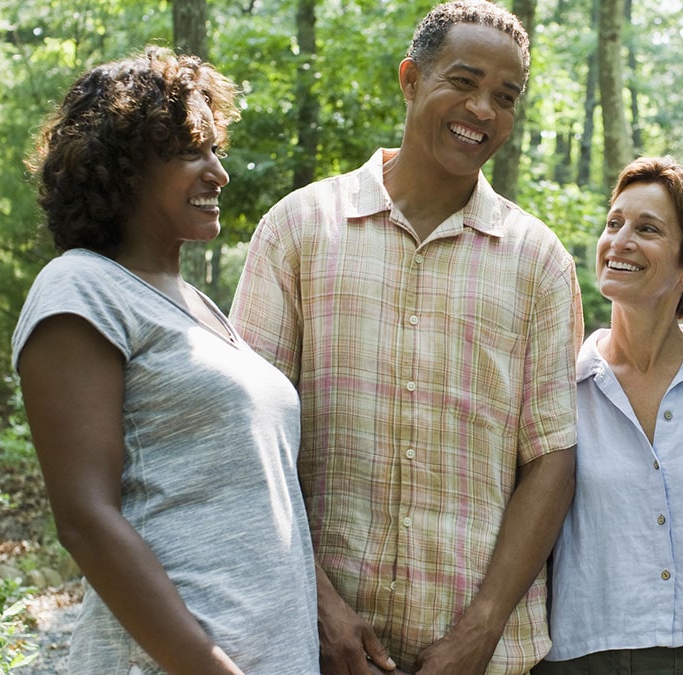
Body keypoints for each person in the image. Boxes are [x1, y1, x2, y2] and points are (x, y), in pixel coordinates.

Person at [228, 2, 582, 673]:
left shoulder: (538, 259)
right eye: (463, 81)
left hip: (485, 656)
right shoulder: (299, 228)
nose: (482, 109)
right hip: (311, 645)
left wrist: (478, 633)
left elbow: (551, 457)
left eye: (505, 97)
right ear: (411, 79)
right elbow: (249, 440)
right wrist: (320, 605)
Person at [13, 47, 318, 674]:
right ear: (120, 167)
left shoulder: (199, 307)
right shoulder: (81, 288)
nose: (218, 174)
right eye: (191, 152)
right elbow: (85, 519)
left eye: (217, 151)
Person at [534, 157, 683, 675]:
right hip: (580, 656)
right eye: (614, 223)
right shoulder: (557, 382)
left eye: (647, 229)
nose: (619, 241)